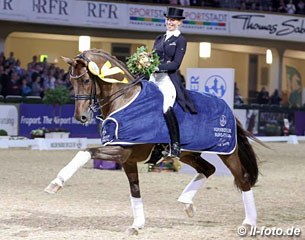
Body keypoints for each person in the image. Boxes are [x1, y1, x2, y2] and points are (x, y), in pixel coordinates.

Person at [149, 7, 196, 159]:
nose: (170, 22)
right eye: (168, 19)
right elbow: (152, 57)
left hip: (167, 79)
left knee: (165, 106)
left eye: (173, 20)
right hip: (153, 77)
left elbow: (175, 64)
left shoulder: (180, 40)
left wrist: (157, 67)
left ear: (180, 22)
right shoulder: (159, 39)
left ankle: (175, 145)